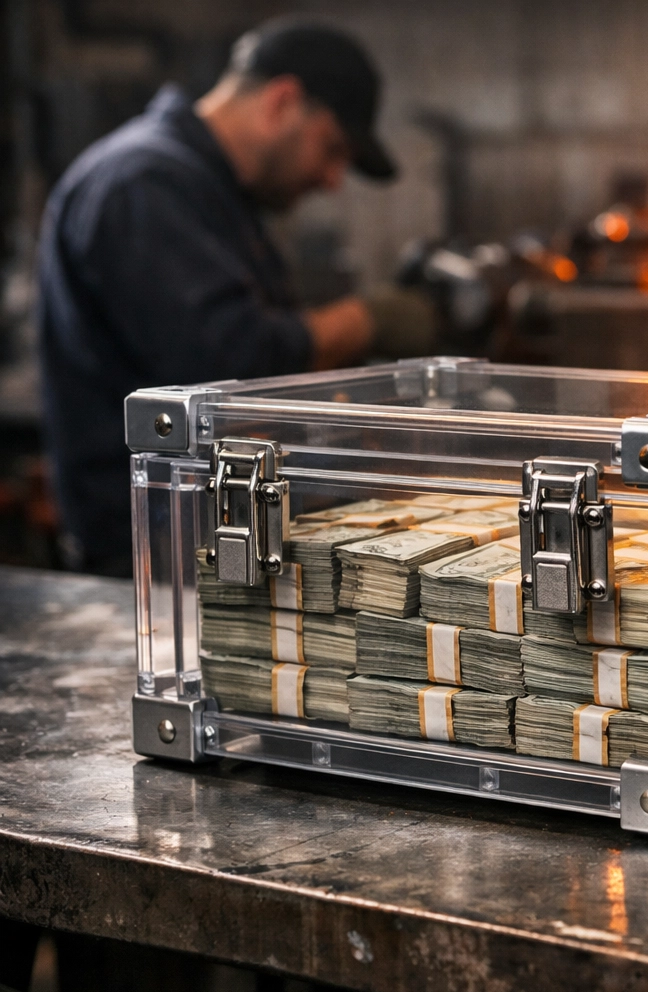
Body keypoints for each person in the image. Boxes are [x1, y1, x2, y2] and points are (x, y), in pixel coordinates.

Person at [38, 18, 397, 577]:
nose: (332, 180)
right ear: (282, 102)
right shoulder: (142, 184)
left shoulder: (210, 192)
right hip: (152, 565)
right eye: (332, 149)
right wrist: (367, 319)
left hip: (209, 540)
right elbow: (229, 368)